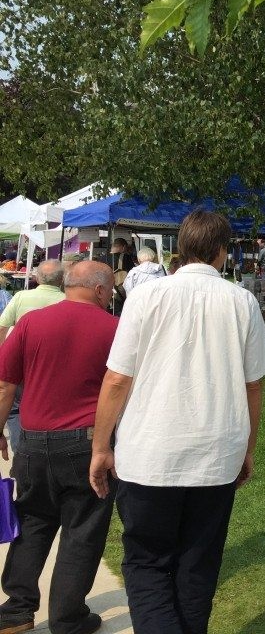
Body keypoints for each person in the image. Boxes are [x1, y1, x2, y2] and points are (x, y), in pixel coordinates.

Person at [88, 210, 265, 634]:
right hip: (214, 454)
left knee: (149, 563)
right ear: (222, 251)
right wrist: (247, 449)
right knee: (197, 564)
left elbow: (117, 378)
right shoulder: (240, 301)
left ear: (184, 247)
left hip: (151, 453)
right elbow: (253, 386)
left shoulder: (147, 296)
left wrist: (100, 446)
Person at [0, 261, 118, 634]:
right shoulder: (114, 328)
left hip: (33, 441)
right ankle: (67, 618)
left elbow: (5, 384)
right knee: (82, 530)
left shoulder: (31, 323)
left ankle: (16, 609)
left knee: (32, 521)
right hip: (86, 442)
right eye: (110, 289)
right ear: (99, 290)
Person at [0, 259, 66, 454]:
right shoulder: (67, 299)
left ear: (37, 278)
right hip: (54, 365)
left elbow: (2, 328)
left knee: (15, 408)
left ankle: (21, 450)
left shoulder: (21, 297)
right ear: (62, 279)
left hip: (21, 363)